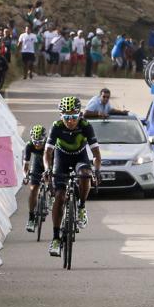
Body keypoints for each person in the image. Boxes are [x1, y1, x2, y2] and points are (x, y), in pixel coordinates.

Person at [44, 97, 101, 257]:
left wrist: (96, 170)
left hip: (79, 157)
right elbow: (47, 153)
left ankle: (82, 206)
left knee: (85, 174)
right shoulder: (56, 127)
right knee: (60, 197)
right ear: (61, 116)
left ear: (79, 115)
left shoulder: (85, 126)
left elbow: (96, 154)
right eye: (66, 117)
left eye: (73, 117)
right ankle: (55, 239)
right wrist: (48, 169)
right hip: (60, 158)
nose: (70, 121)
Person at [23, 125, 48, 232]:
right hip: (37, 165)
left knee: (51, 180)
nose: (37, 145)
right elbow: (26, 165)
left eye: (40, 142)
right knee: (33, 190)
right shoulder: (29, 146)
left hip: (50, 163)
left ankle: (51, 196)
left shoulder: (49, 144)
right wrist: (26, 176)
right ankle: (31, 218)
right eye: (35, 142)